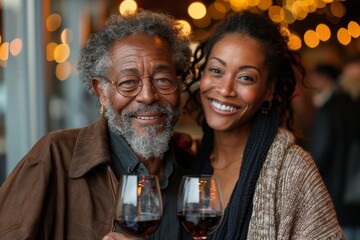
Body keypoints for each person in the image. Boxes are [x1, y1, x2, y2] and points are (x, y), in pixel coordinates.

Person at [0, 10, 191, 239]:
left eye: (163, 80)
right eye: (128, 82)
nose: (148, 96)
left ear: (179, 85)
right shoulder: (54, 156)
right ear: (101, 92)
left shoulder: (193, 169)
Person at [184, 11, 344, 239]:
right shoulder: (190, 159)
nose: (225, 89)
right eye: (216, 71)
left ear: (269, 90)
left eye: (245, 78)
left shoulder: (294, 171)